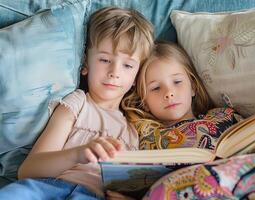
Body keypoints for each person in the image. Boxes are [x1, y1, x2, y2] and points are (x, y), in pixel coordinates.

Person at [0, 6, 154, 200]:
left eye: (127, 65)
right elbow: (27, 170)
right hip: (48, 189)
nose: (114, 71)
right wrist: (78, 154)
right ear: (85, 65)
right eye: (105, 59)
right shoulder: (76, 104)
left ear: (136, 76)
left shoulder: (132, 134)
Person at [122, 41, 242, 151]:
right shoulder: (142, 137)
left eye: (177, 82)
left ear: (193, 87)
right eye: (156, 88)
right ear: (144, 101)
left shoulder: (224, 116)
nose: (169, 93)